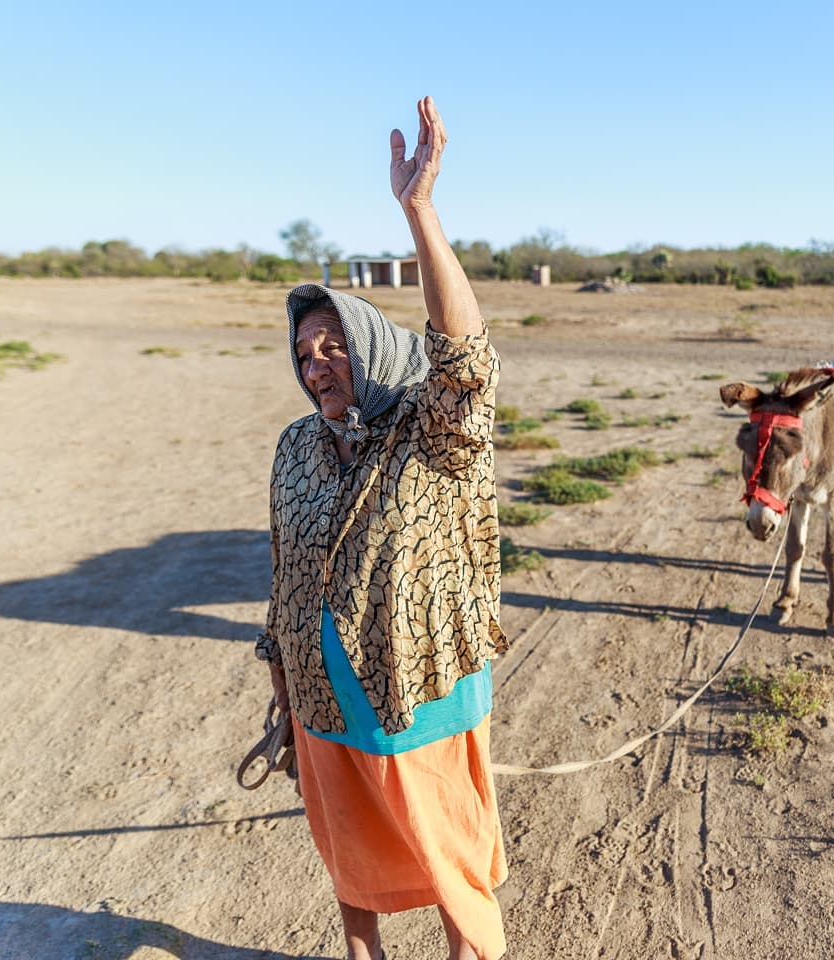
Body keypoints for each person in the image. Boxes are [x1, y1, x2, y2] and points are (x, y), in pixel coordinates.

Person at [256, 96, 508, 960]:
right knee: (348, 851)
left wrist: (420, 211)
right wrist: (281, 681)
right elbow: (286, 569)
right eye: (302, 353)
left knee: (445, 852)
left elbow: (466, 359)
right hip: (323, 695)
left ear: (371, 348)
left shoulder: (433, 434)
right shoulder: (296, 445)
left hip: (419, 685)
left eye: (333, 346)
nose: (315, 364)